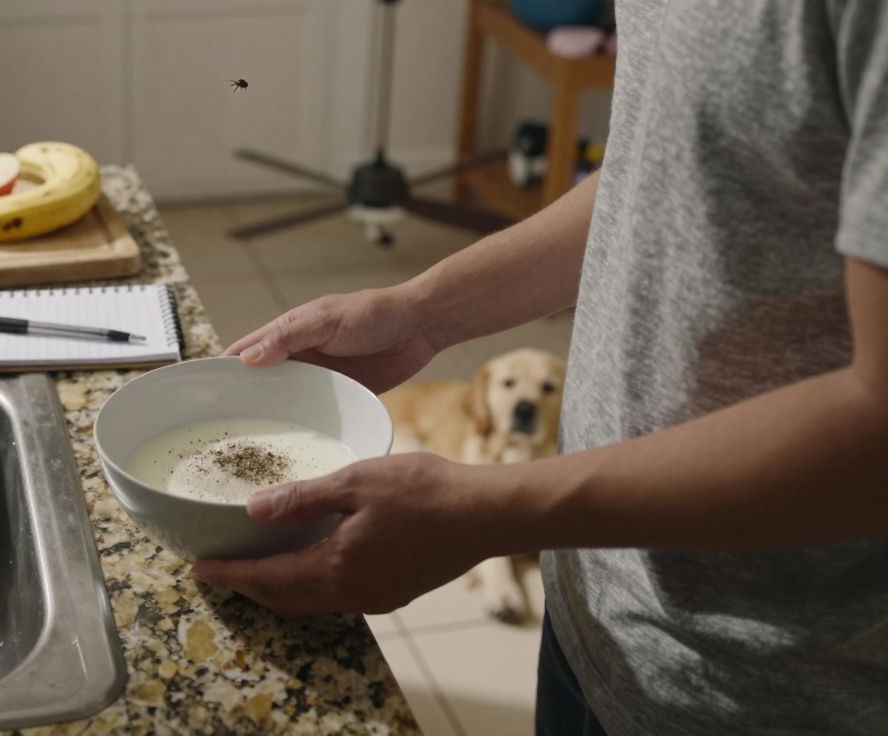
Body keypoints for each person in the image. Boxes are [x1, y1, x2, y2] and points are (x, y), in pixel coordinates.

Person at [191, 3, 888, 734]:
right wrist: (422, 312)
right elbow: (661, 171)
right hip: (595, 614)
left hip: (771, 690)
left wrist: (486, 511)